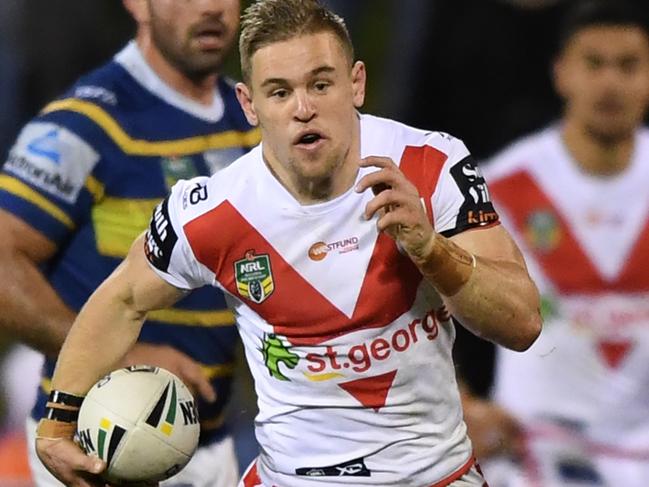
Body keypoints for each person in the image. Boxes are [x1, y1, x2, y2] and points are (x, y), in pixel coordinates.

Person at [34, 1, 542, 486]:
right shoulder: (209, 210)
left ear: (356, 83)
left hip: (436, 477)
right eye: (279, 92)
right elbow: (122, 299)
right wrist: (57, 425)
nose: (303, 109)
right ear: (249, 104)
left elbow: (520, 324)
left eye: (320, 85)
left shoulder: (433, 164)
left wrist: (432, 251)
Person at [0, 0, 260, 485]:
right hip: (95, 450)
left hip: (212, 445)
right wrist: (120, 357)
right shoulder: (86, 123)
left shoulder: (255, 116)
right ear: (137, 4)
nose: (210, 9)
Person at [469, 1, 649, 485]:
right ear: (561, 73)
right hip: (534, 462)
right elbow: (418, 311)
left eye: (628, 65)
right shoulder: (501, 187)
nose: (610, 82)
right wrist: (463, 404)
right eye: (593, 64)